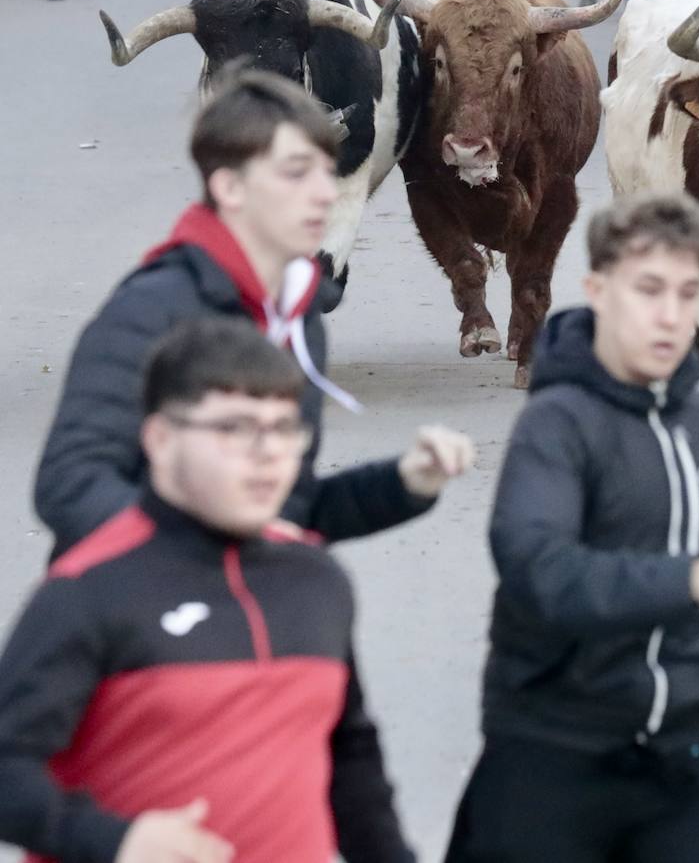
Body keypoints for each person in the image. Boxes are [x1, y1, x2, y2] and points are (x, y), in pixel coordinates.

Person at [2, 312, 440, 862]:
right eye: (233, 428)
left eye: (284, 429)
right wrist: (116, 841)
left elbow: (349, 758)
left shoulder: (316, 580)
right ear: (160, 438)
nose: (268, 452)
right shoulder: (88, 591)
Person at [444, 192, 699, 863]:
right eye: (647, 290)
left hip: (683, 748)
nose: (669, 315)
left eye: (687, 293)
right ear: (596, 289)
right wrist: (690, 580)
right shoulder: (555, 424)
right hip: (556, 743)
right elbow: (539, 570)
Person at [36, 67, 473, 560]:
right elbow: (69, 487)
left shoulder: (300, 315)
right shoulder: (150, 310)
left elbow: (283, 512)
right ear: (230, 188)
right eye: (295, 173)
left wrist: (400, 484)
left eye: (326, 172)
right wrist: (202, 556)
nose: (326, 194)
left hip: (246, 616)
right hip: (136, 621)